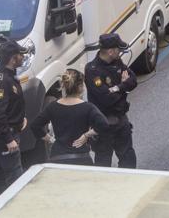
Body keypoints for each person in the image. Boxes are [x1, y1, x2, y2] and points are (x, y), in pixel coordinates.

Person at [31, 69, 109, 165]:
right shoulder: (88, 107)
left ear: (64, 86)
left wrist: (50, 139)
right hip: (82, 159)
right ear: (80, 87)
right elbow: (104, 124)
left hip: (58, 158)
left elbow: (35, 126)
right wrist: (86, 135)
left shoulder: (53, 106)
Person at [85, 33, 138, 168]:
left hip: (120, 119)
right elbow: (106, 99)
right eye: (118, 50)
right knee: (103, 163)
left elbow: (133, 81)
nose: (120, 52)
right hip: (103, 123)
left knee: (128, 159)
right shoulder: (92, 70)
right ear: (110, 51)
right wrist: (123, 88)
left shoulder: (117, 62)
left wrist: (118, 87)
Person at [0, 40, 29, 199]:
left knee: (2, 172)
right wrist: (8, 139)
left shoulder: (9, 75)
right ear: (13, 58)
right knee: (15, 177)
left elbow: (12, 105)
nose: (22, 57)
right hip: (7, 136)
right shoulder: (2, 79)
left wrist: (21, 118)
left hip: (12, 131)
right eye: (20, 55)